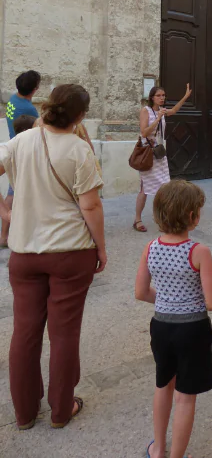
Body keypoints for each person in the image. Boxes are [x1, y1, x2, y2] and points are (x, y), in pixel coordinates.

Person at [0, 84, 105, 429]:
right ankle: (61, 410)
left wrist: (5, 212)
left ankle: (25, 413)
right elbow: (89, 205)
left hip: (25, 252)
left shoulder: (21, 142)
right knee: (64, 334)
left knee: (24, 333)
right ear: (80, 115)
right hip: (69, 252)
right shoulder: (80, 150)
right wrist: (101, 248)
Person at [135, 180, 212, 458]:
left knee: (163, 385)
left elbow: (141, 292)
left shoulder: (151, 248)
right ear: (193, 217)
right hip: (192, 330)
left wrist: (166, 300)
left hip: (161, 327)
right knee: (185, 397)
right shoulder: (199, 252)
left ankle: (158, 449)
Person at [134, 84, 192, 233]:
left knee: (164, 187)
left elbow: (174, 110)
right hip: (148, 153)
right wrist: (157, 118)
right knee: (144, 188)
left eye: (163, 95)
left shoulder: (162, 111)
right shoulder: (145, 111)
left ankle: (161, 219)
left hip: (159, 155)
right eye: (159, 95)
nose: (162, 98)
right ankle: (137, 219)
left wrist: (185, 97)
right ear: (152, 97)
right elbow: (144, 132)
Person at [1, 70, 41, 248]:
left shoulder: (13, 99)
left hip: (13, 146)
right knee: (19, 195)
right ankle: (12, 236)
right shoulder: (29, 109)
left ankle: (4, 235)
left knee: (12, 193)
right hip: (23, 152)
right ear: (34, 89)